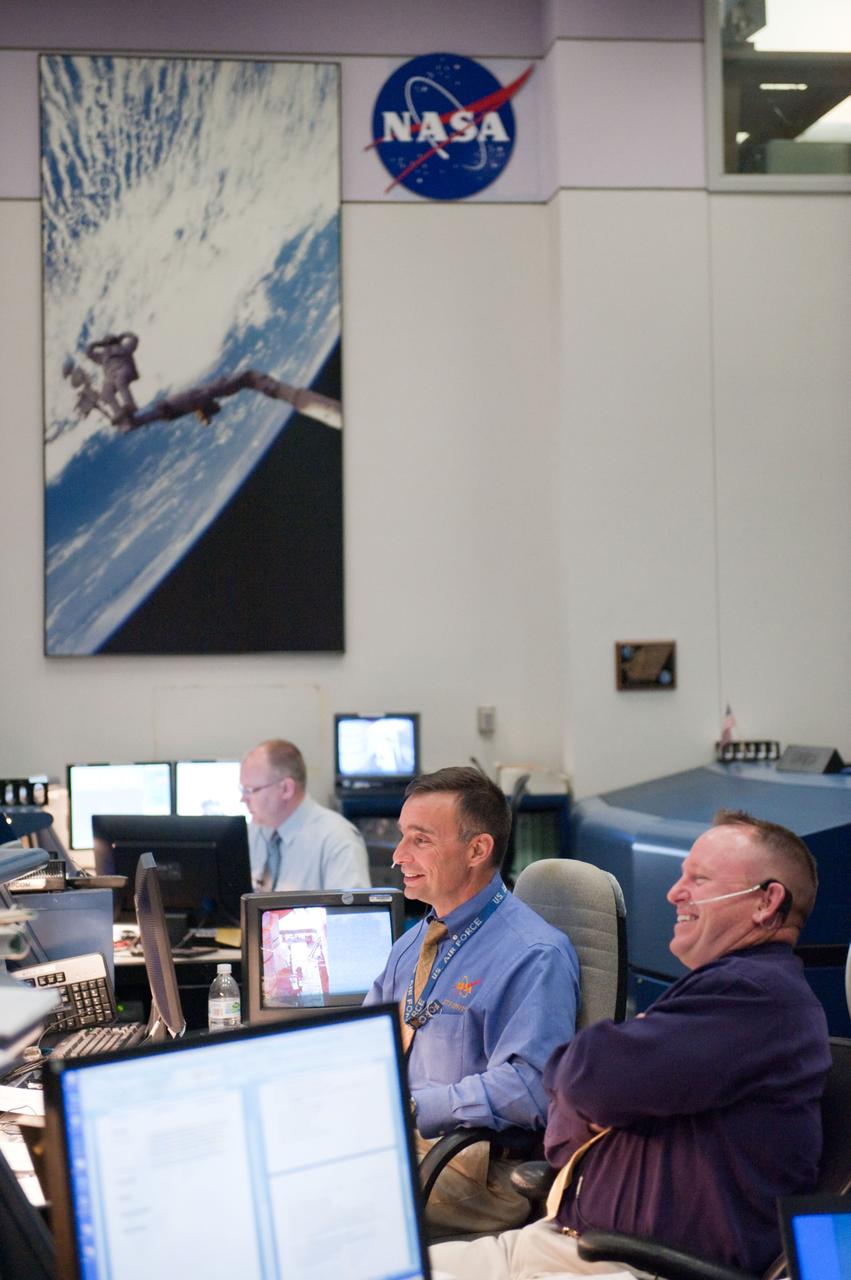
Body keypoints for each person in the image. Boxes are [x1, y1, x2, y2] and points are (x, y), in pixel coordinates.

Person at [432, 809, 831, 1279]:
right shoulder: (726, 994)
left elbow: (589, 1078)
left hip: (634, 1265)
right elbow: (576, 1108)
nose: (673, 893)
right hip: (566, 1242)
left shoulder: (754, 997)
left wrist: (596, 1075)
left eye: (698, 879)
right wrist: (598, 1076)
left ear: (766, 902)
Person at [364, 766, 580, 1235]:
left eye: (420, 840)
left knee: (326, 1196)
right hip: (401, 1141)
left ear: (478, 850)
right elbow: (366, 1041)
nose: (399, 856)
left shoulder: (534, 954)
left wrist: (418, 1109)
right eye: (403, 837)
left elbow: (530, 1087)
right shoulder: (412, 943)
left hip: (475, 1167)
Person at [240, 739, 369, 891]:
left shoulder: (338, 839)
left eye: (251, 790)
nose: (243, 799)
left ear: (286, 789)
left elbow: (352, 913)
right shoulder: (253, 833)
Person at [85, 331, 140, 422]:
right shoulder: (103, 356)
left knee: (120, 381)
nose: (109, 344)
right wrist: (97, 344)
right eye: (107, 343)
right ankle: (118, 412)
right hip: (111, 376)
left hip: (123, 369)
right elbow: (88, 353)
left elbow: (135, 338)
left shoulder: (124, 347)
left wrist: (123, 335)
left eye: (111, 341)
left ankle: (130, 405)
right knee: (105, 393)